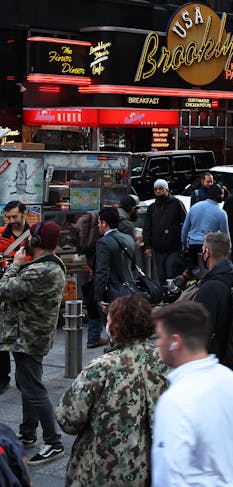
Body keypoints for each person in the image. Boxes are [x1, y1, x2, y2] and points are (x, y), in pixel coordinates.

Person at [55, 294, 169, 486]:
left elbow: (68, 420)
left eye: (109, 320)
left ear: (116, 326)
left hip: (105, 470)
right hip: (155, 468)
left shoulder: (101, 367)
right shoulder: (167, 360)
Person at [151, 301, 233, 485]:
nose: (157, 342)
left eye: (161, 336)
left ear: (175, 342)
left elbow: (168, 474)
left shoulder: (175, 400)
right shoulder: (230, 380)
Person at [0, 221, 66, 466]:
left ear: (36, 242)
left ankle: (53, 442)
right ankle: (28, 433)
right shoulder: (47, 265)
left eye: (29, 238)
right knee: (27, 385)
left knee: (34, 389)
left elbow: (4, 289)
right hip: (28, 335)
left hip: (28, 337)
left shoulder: (41, 270)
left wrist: (14, 265)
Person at [184, 232, 233, 371]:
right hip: (231, 355)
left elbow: (201, 330)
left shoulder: (211, 287)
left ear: (207, 252)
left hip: (213, 361)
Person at [0, 201, 31, 394]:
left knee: (23, 336)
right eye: (8, 217)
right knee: (1, 335)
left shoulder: (35, 233)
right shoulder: (1, 232)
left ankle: (25, 378)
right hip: (5, 286)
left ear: (23, 214)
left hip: (27, 289)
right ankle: (3, 377)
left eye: (14, 217)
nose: (11, 221)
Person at [94, 207, 135, 320]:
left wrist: (99, 296)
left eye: (98, 222)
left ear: (104, 223)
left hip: (113, 293)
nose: (98, 225)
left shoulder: (103, 243)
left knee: (114, 328)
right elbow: (132, 265)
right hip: (129, 289)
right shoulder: (128, 238)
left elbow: (102, 271)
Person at [144, 179, 186, 286]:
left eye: (160, 189)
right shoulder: (152, 208)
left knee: (171, 273)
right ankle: (163, 296)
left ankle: (172, 297)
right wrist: (147, 246)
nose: (158, 191)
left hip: (173, 248)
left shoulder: (176, 204)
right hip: (158, 249)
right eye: (156, 189)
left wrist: (184, 242)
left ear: (166, 190)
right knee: (161, 275)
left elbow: (185, 222)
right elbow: (147, 228)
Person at [181, 184, 229, 273]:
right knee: (210, 272)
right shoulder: (221, 213)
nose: (223, 196)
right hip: (209, 247)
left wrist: (184, 245)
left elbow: (185, 229)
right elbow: (225, 236)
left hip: (193, 245)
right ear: (218, 195)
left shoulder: (194, 207)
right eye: (222, 194)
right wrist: (228, 252)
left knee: (193, 272)